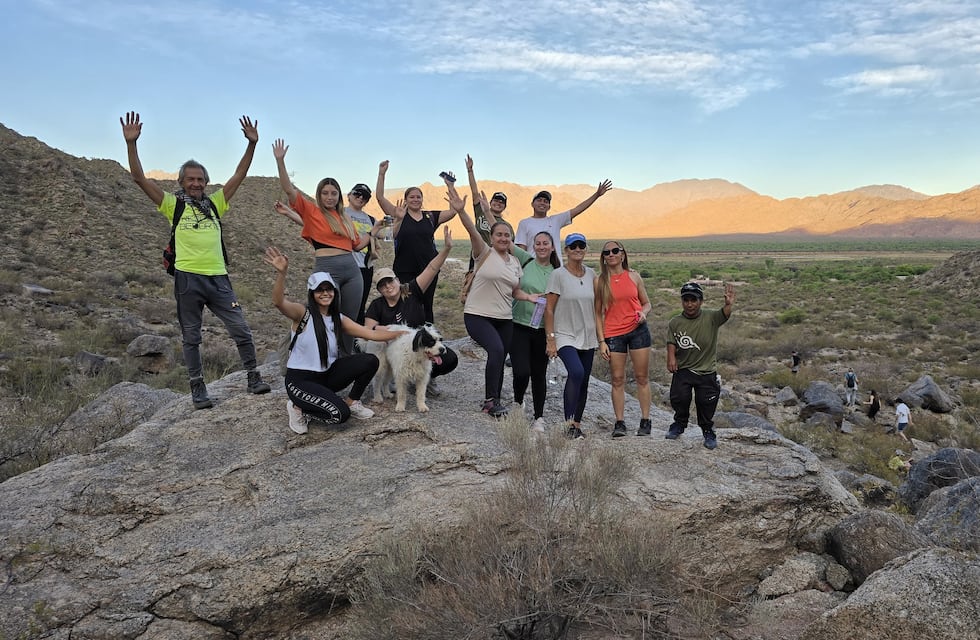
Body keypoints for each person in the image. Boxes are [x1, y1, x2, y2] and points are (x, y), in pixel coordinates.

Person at [120, 111, 271, 410]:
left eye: (200, 179)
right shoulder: (172, 205)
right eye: (190, 179)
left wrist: (252, 144)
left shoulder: (215, 204)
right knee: (191, 337)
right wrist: (131, 144)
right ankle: (198, 389)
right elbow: (138, 178)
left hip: (218, 278)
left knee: (241, 328)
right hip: (188, 278)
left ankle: (253, 377)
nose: (196, 183)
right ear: (181, 181)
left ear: (206, 182)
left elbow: (239, 175)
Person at [264, 247, 405, 433]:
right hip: (300, 381)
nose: (325, 293)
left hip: (327, 376)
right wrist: (281, 274)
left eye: (329, 289)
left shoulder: (338, 318)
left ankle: (352, 401)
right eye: (319, 290)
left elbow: (370, 334)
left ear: (334, 292)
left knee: (370, 360)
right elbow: (278, 302)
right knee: (340, 415)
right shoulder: (302, 314)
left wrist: (402, 333)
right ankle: (299, 407)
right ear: (312, 293)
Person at [271, 138, 370, 353]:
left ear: (339, 196)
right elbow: (289, 189)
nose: (330, 197)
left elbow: (357, 246)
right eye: (325, 193)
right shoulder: (312, 211)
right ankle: (321, 357)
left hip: (352, 271)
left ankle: (345, 359)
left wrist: (374, 231)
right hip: (326, 269)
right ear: (319, 194)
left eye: (334, 193)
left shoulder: (345, 218)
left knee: (349, 320)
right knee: (325, 317)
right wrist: (280, 161)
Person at [453, 184, 542, 418]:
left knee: (500, 356)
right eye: (499, 235)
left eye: (506, 235)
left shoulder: (515, 263)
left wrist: (529, 297)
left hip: (504, 318)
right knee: (497, 349)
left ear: (511, 239)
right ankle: (490, 401)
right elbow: (472, 230)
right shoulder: (483, 252)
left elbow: (515, 291)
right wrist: (461, 211)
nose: (503, 238)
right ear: (491, 238)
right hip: (478, 315)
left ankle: (496, 399)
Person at [364, 226, 459, 393]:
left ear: (397, 280)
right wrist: (384, 330)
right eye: (382, 285)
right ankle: (392, 379)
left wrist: (446, 249)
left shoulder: (412, 291)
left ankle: (423, 378)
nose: (388, 287)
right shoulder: (377, 305)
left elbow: (431, 268)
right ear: (379, 290)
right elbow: (368, 330)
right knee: (380, 353)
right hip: (395, 349)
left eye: (390, 281)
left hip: (419, 345)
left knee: (449, 358)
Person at [376, 160, 458, 324]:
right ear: (405, 199)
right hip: (404, 269)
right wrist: (382, 174)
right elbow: (379, 198)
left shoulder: (430, 216)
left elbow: (453, 211)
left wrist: (450, 186)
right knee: (406, 304)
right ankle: (407, 334)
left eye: (418, 197)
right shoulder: (399, 214)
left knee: (427, 304)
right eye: (411, 197)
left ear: (422, 199)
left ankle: (428, 334)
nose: (415, 199)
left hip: (429, 268)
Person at [665, 282, 735, 450]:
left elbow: (724, 314)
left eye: (693, 300)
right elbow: (671, 341)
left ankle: (708, 430)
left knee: (706, 402)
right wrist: (671, 357)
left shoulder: (711, 317)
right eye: (686, 300)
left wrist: (728, 304)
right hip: (683, 368)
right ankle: (679, 424)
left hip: (706, 370)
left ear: (701, 301)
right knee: (680, 398)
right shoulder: (675, 322)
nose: (690, 304)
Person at [595, 241, 653, 438]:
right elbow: (597, 313)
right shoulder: (600, 281)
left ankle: (645, 420)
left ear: (623, 254)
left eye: (615, 251)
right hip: (614, 333)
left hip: (638, 330)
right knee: (617, 379)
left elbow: (646, 303)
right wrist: (601, 341)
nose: (611, 254)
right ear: (603, 257)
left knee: (641, 377)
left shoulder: (634, 276)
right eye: (606, 252)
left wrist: (644, 313)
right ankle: (620, 422)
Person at [544, 233, 599, 439]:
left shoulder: (591, 274)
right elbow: (549, 309)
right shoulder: (558, 275)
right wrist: (551, 339)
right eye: (573, 246)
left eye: (581, 245)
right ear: (566, 250)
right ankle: (568, 424)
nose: (577, 249)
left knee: (583, 380)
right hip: (565, 334)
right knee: (576, 372)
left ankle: (576, 425)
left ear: (585, 249)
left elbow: (600, 304)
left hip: (588, 334)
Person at [511, 231, 560, 432]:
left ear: (552, 247)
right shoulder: (526, 260)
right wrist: (488, 214)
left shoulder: (557, 273)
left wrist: (552, 337)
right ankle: (518, 402)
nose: (541, 247)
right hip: (519, 324)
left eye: (545, 243)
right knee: (521, 371)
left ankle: (539, 417)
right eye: (538, 243)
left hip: (542, 329)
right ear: (533, 246)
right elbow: (501, 238)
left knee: (539, 374)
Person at [514, 180, 613, 265]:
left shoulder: (555, 220)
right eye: (539, 200)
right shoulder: (525, 223)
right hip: (533, 269)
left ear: (549, 207)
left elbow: (578, 209)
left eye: (546, 201)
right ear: (532, 204)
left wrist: (597, 195)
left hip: (554, 268)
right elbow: (522, 251)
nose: (542, 203)